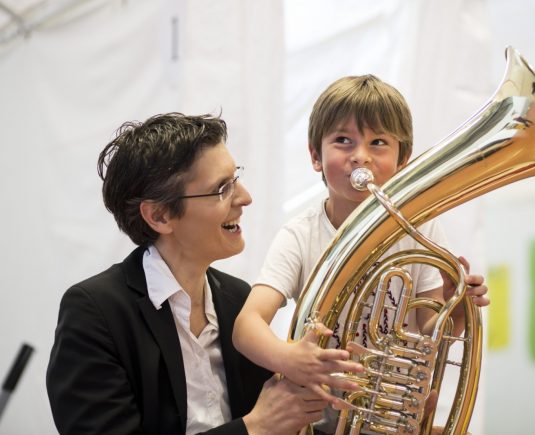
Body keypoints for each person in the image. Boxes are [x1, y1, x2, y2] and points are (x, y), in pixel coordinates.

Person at [232, 75, 489, 432]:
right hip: (318, 420)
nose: (361, 156)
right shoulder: (300, 234)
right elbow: (247, 326)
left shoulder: (421, 230)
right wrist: (289, 358)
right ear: (315, 156)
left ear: (403, 160)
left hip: (393, 419)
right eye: (343, 141)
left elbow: (432, 330)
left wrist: (457, 305)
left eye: (378, 142)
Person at [46, 113, 329, 435]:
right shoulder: (95, 312)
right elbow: (262, 422)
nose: (245, 198)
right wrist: (254, 427)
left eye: (235, 178)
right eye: (222, 188)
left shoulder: (237, 299)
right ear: (160, 215)